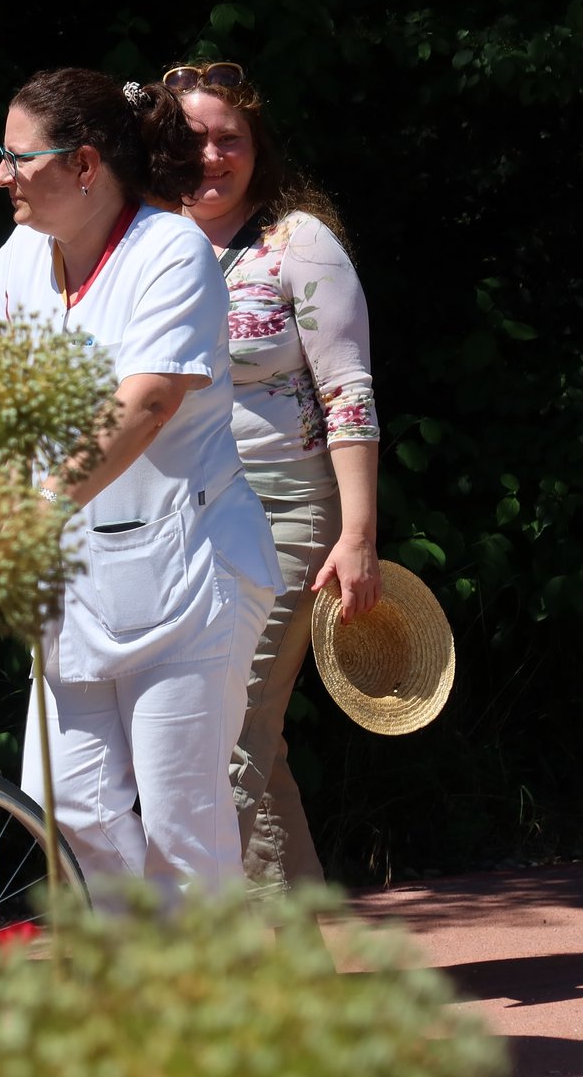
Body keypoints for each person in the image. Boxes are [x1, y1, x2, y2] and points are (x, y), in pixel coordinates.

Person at [0, 67, 280, 898]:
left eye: (19, 157)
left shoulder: (170, 249)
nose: (0, 174)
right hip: (79, 584)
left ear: (84, 165)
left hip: (191, 572)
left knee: (182, 826)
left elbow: (144, 404)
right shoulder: (21, 256)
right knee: (67, 810)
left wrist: (35, 510)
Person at [165, 60, 381, 891]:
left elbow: (348, 393)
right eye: (192, 140)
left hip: (284, 514)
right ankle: (294, 943)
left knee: (228, 730)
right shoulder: (144, 243)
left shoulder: (299, 243)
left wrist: (357, 535)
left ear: (259, 151)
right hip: (178, 519)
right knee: (240, 738)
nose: (211, 157)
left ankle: (229, 948)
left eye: (231, 140)